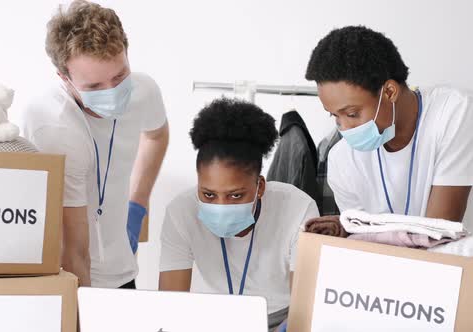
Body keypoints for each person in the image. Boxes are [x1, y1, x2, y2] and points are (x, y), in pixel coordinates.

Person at [18, 0, 169, 288]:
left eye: (119, 76)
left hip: (123, 269)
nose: (112, 93)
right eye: (95, 87)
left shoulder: (143, 90)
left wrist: (137, 205)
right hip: (69, 274)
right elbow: (74, 251)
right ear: (65, 78)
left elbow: (156, 135)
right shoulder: (54, 125)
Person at [158, 98, 319, 323]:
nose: (221, 207)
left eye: (235, 195)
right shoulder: (181, 213)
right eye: (208, 195)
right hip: (211, 319)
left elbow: (305, 310)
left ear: (260, 187)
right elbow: (170, 307)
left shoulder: (298, 209)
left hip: (279, 318)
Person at [305, 26, 473, 226]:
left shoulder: (453, 113)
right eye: (335, 116)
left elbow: (439, 231)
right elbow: (362, 242)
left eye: (352, 114)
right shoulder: (341, 160)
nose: (344, 128)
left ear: (390, 92)